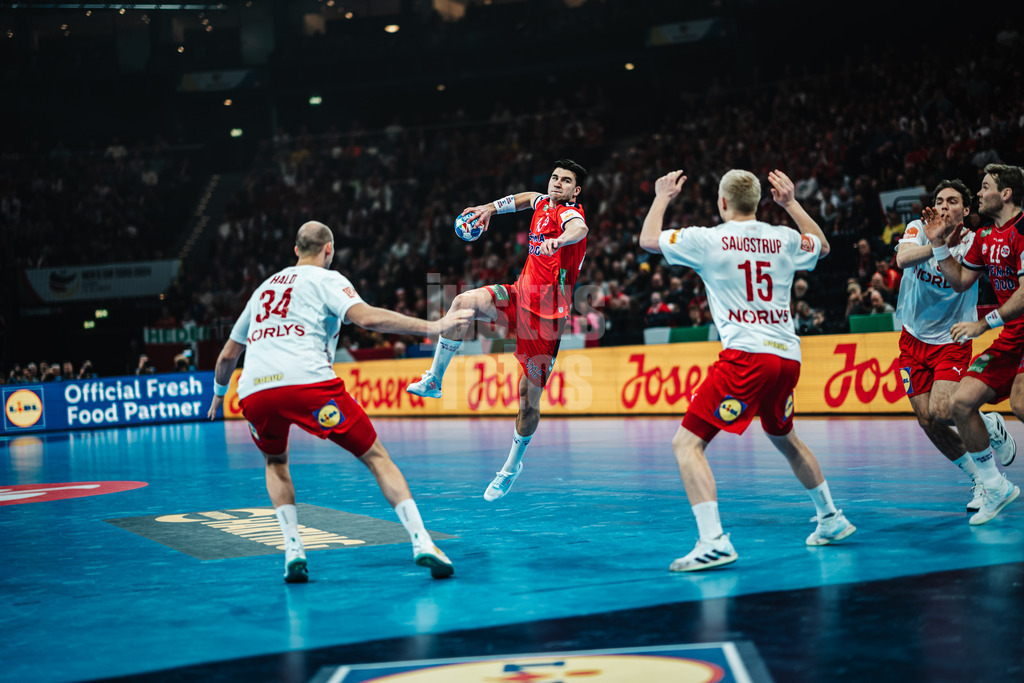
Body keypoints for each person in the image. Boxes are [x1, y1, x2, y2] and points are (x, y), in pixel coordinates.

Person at [207, 221, 474, 583]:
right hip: (308, 382)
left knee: (275, 461)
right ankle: (422, 541)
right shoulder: (327, 280)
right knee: (377, 457)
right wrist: (434, 327)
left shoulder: (262, 289)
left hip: (254, 391)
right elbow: (367, 318)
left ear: (295, 249)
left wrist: (219, 396)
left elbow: (227, 356)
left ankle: (293, 550)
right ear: (328, 250)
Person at [639, 168, 856, 572]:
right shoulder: (784, 237)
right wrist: (791, 204)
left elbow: (649, 241)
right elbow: (823, 246)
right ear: (758, 203)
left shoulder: (707, 238)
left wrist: (662, 197)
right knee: (784, 437)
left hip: (746, 357)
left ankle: (713, 541)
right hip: (787, 358)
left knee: (686, 445)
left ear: (722, 203)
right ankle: (831, 519)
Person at [406, 160, 590, 501]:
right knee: (463, 302)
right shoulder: (541, 203)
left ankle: (510, 468)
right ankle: (434, 379)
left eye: (566, 181)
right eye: (555, 177)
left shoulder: (570, 215)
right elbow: (524, 199)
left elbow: (580, 229)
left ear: (575, 191)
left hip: (546, 321)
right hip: (520, 296)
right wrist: (490, 208)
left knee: (528, 402)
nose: (557, 184)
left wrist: (560, 242)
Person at [894, 179, 1015, 514]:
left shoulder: (975, 243)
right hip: (912, 339)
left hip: (952, 339)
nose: (945, 206)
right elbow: (903, 259)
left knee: (945, 411)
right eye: (940, 200)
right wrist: (936, 242)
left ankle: (987, 423)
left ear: (965, 209)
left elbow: (958, 281)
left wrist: (945, 247)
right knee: (927, 420)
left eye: (953, 201)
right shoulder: (918, 227)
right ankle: (980, 479)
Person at [926, 163, 1024, 525]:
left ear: (1006, 194)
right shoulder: (984, 237)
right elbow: (961, 281)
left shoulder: (1023, 230)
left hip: (1013, 326)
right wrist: (938, 245)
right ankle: (995, 487)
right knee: (960, 402)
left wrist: (983, 323)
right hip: (1013, 334)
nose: (979, 194)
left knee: (1021, 405)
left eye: (984, 188)